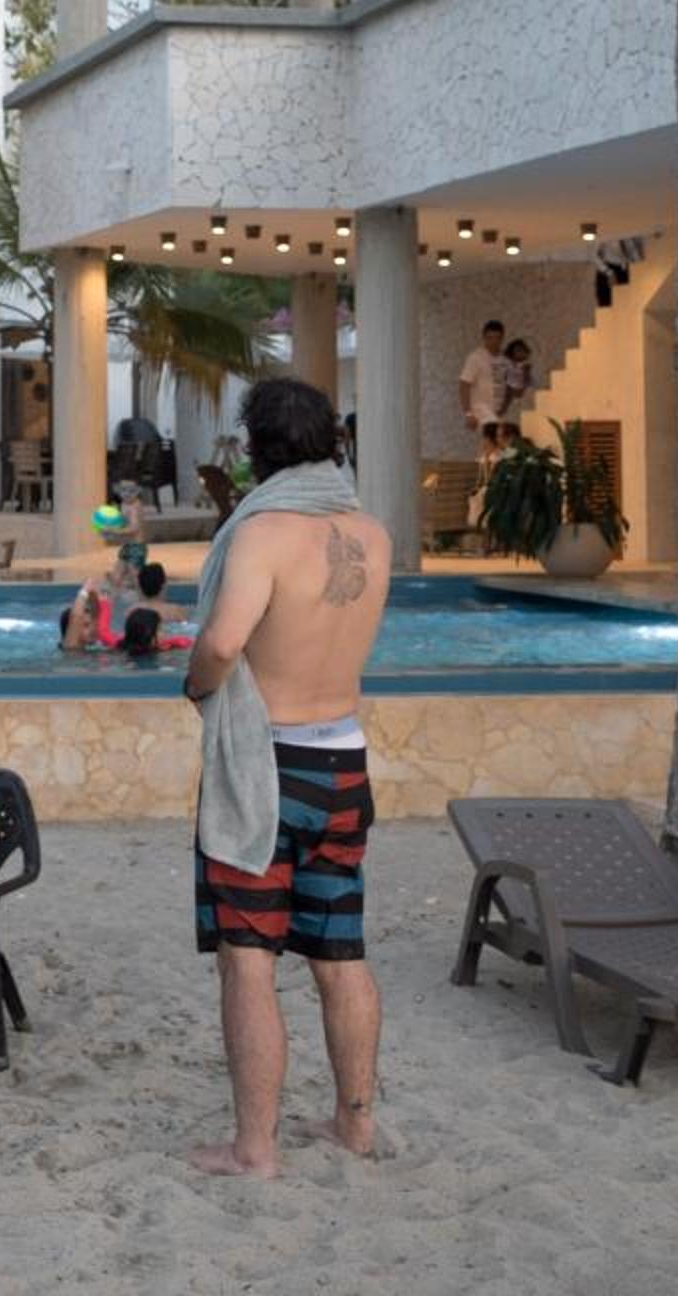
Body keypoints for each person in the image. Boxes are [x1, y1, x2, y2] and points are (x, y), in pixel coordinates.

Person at [182, 377, 392, 1178]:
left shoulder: (262, 533)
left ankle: (255, 1149)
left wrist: (198, 686)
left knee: (248, 957)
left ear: (256, 450)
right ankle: (355, 1125)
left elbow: (223, 643)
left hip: (267, 769)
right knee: (341, 954)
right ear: (332, 442)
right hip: (344, 763)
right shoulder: (372, 533)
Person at [459, 321, 509, 451]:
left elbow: (509, 387)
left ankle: (487, 461)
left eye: (497, 338)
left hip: (497, 410)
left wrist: (505, 406)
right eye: (489, 338)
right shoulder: (476, 358)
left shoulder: (505, 359)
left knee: (496, 445)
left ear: (502, 338)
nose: (493, 342)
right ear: (484, 338)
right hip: (480, 410)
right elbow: (464, 385)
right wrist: (468, 413)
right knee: (495, 437)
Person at [499, 339, 536, 427]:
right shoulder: (509, 368)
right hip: (514, 399)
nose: (520, 353)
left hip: (527, 397)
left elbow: (527, 382)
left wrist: (526, 373)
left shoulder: (527, 366)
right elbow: (508, 388)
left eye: (522, 350)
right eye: (517, 351)